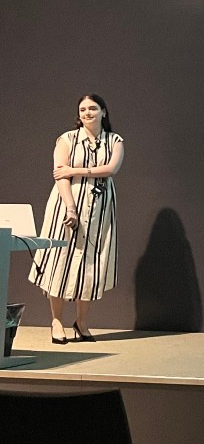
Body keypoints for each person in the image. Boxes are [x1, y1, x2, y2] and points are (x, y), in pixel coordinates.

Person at [29, 94, 125, 344]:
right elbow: (60, 175)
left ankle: (81, 322)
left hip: (100, 210)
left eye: (92, 108)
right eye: (82, 109)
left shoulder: (114, 140)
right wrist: (70, 208)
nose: (87, 113)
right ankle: (56, 321)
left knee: (90, 263)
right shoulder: (67, 139)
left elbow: (111, 169)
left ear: (103, 111)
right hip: (67, 205)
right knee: (60, 260)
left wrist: (75, 170)